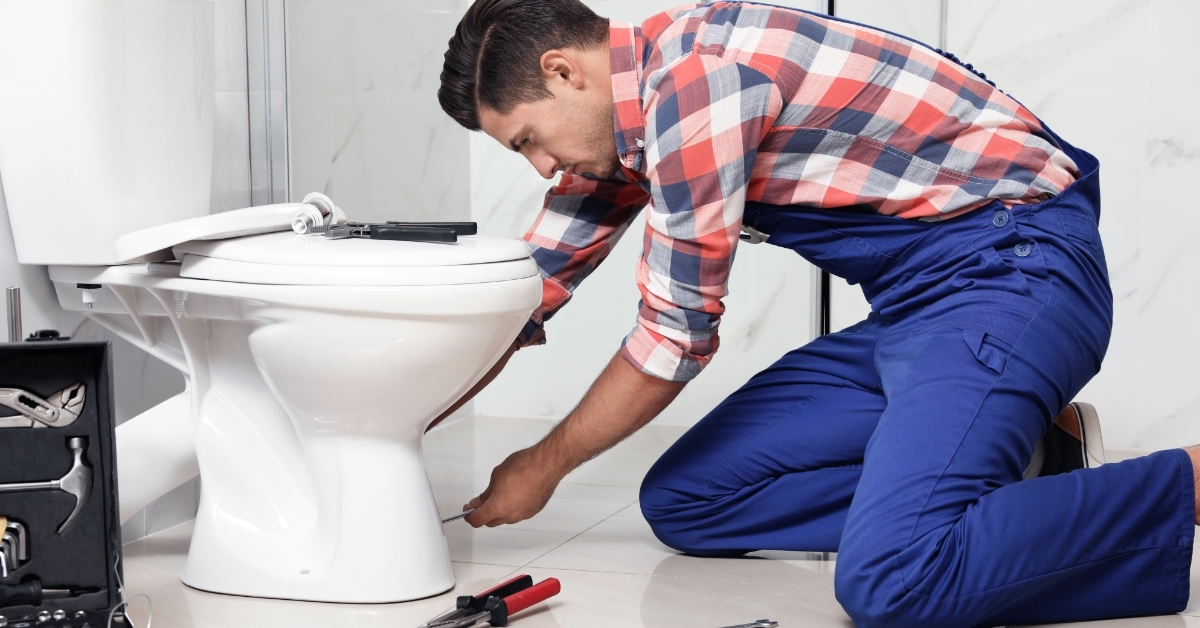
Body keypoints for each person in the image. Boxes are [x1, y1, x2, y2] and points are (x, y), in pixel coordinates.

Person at [435, 1, 1197, 625]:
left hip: (1013, 277)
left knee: (893, 580)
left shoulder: (695, 87)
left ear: (562, 71)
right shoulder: (632, 125)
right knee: (687, 502)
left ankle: (1185, 484)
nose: (540, 168)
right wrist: (401, 422)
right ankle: (1038, 458)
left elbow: (673, 341)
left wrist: (541, 466)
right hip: (914, 308)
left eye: (529, 139)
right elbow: (517, 299)